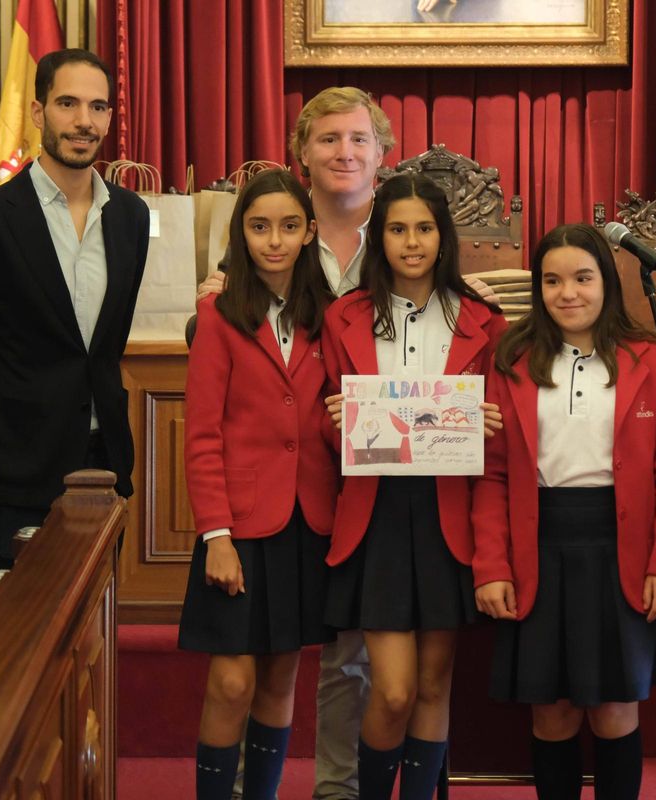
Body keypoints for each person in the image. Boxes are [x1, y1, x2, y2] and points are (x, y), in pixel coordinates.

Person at [195, 86, 493, 800]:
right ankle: (336, 789)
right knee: (311, 670)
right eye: (328, 139)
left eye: (358, 140)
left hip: (396, 505)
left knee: (394, 678)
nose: (344, 152)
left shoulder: (462, 302)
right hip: (337, 502)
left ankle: (361, 787)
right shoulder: (269, 289)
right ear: (302, 155)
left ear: (381, 156)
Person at [0, 49, 149, 615]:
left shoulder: (130, 216)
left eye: (98, 107)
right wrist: (3, 423)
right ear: (38, 110)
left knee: (88, 641)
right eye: (68, 104)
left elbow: (104, 346)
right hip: (9, 476)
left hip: (102, 468)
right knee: (7, 646)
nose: (84, 122)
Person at [471, 224, 656, 799]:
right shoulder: (512, 358)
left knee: (616, 713)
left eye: (582, 278)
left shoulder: (649, 358)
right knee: (553, 715)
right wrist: (491, 566)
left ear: (606, 283)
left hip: (622, 552)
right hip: (537, 548)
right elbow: (492, 473)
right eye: (552, 280)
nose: (567, 293)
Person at [321, 173, 505, 800]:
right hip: (374, 516)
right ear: (380, 238)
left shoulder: (482, 318)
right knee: (393, 692)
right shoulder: (343, 316)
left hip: (448, 512)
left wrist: (487, 424)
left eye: (424, 229)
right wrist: (335, 420)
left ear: (443, 236)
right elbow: (322, 434)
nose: (411, 242)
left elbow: (504, 436)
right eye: (397, 229)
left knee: (433, 687)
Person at [181, 168, 339, 800]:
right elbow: (201, 435)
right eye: (259, 226)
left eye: (288, 226)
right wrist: (216, 534)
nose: (274, 240)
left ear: (308, 234)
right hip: (240, 525)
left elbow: (331, 425)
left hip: (308, 520)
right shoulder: (218, 315)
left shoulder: (331, 316)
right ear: (241, 234)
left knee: (280, 677)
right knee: (231, 683)